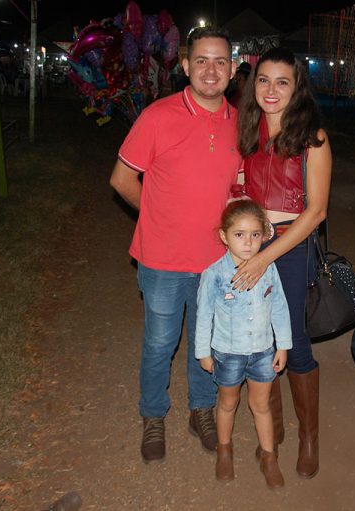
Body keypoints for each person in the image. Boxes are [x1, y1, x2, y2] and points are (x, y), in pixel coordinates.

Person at [109, 27, 240, 464]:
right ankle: (153, 415)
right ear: (185, 66)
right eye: (201, 60)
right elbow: (121, 179)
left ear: (233, 70)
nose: (211, 70)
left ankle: (200, 410)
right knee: (160, 344)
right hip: (163, 260)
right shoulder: (158, 116)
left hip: (216, 263)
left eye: (220, 61)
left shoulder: (240, 123)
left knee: (208, 343)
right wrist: (156, 216)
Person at [233, 47, 332, 479]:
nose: (271, 90)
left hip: (291, 248)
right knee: (259, 341)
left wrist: (266, 257)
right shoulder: (248, 130)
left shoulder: (314, 138)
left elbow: (316, 212)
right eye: (263, 80)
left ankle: (310, 438)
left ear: (297, 88)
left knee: (293, 342)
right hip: (251, 245)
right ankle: (272, 432)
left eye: (282, 82)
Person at [195, 199, 292, 487]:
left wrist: (283, 345)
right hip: (228, 354)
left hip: (263, 352)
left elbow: (279, 306)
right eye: (239, 234)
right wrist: (203, 352)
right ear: (224, 236)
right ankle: (224, 451)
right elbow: (204, 316)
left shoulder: (269, 269)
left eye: (255, 234)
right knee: (228, 402)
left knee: (261, 405)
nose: (248, 242)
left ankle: (269, 457)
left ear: (264, 236)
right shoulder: (214, 275)